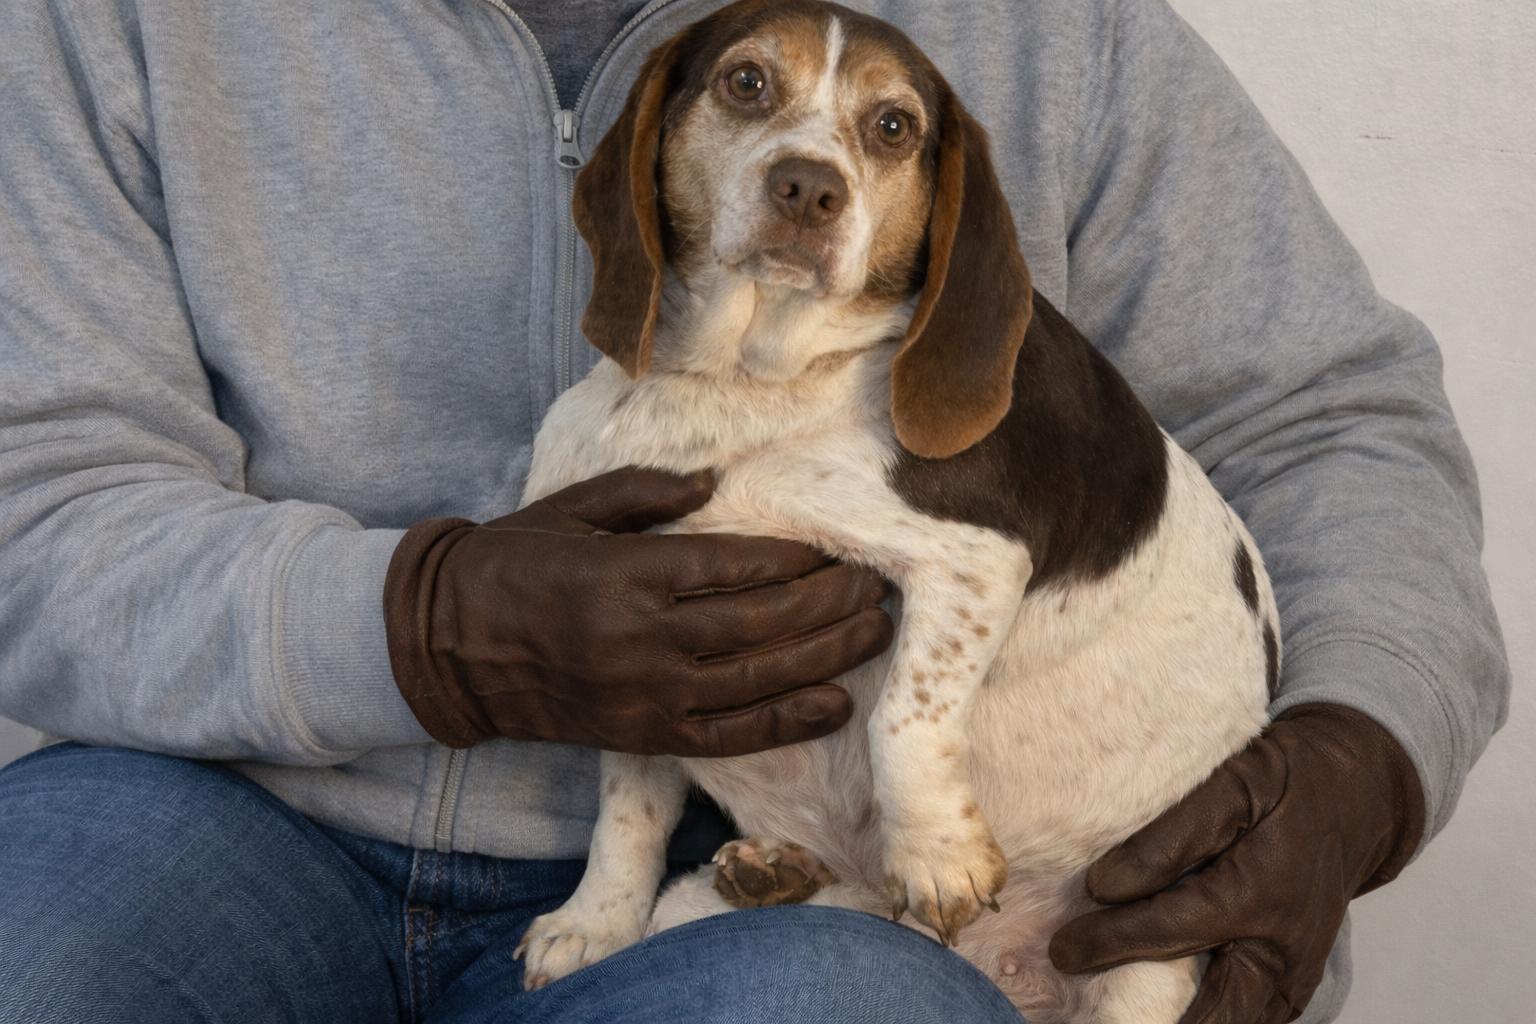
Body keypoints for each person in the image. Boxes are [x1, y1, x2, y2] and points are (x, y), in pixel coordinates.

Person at [0, 1, 1508, 1022]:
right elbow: (38, 491)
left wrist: (1367, 754)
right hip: (231, 804)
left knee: (834, 1007)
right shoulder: (113, 22)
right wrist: (413, 629)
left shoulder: (1062, 29)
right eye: (748, 100)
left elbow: (1329, 422)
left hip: (804, 897)